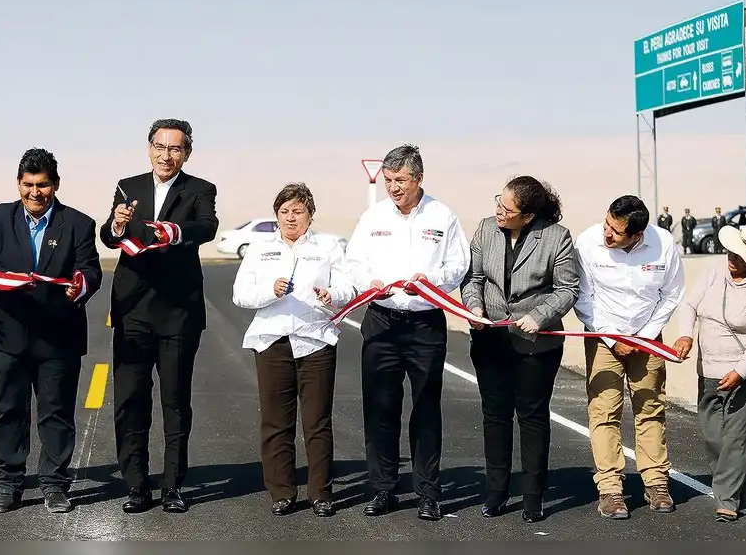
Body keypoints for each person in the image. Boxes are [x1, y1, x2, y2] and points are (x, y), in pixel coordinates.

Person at [344, 143, 470, 521]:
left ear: (418, 178)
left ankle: (428, 493)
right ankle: (383, 489)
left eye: (400, 180)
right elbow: (354, 262)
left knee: (426, 408)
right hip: (381, 321)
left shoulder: (443, 215)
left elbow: (458, 265)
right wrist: (372, 282)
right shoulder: (373, 217)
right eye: (388, 180)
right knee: (381, 408)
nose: (394, 187)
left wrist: (430, 282)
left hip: (424, 325)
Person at [100, 118, 219, 514]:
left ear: (186, 153)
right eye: (160, 147)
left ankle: (172, 487)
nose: (166, 155)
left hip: (178, 312)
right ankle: (136, 485)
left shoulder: (200, 189)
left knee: (175, 401)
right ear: (148, 148)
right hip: (134, 309)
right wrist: (115, 226)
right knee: (131, 401)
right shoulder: (127, 186)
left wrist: (173, 232)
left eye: (175, 149)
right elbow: (109, 235)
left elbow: (206, 226)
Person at [0, 148, 103, 515]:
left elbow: (89, 270)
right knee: (8, 410)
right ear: (18, 184)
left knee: (56, 412)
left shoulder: (79, 223)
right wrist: (7, 279)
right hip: (9, 331)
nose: (35, 192)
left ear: (56, 185)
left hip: (58, 334)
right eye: (28, 185)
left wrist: (81, 285)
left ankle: (54, 485)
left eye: (43, 185)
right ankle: (9, 484)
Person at [231, 183, 356, 517]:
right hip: (272, 342)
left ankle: (321, 493)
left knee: (317, 421)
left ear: (310, 214)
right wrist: (269, 291)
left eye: (298, 211)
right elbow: (240, 294)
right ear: (276, 215)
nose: (290, 218)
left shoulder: (328, 246)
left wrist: (333, 295)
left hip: (315, 340)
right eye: (284, 211)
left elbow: (348, 285)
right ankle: (282, 491)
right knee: (275, 421)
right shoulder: (261, 248)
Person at [460, 176, 578, 523]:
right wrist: (475, 308)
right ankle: (496, 493)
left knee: (532, 416)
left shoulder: (557, 238)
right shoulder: (485, 229)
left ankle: (533, 498)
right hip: (490, 340)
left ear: (527, 215)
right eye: (498, 201)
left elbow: (568, 288)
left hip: (536, 345)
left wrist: (540, 316)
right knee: (495, 416)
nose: (498, 210)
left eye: (506, 208)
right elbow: (473, 278)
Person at [573, 195, 685, 519]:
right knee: (604, 411)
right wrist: (611, 336)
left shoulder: (663, 243)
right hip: (604, 338)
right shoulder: (588, 242)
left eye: (616, 232)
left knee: (650, 408)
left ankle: (656, 482)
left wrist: (646, 337)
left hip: (647, 339)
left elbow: (672, 294)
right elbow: (583, 297)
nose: (607, 234)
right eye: (607, 223)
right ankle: (610, 489)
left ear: (637, 236)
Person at [673, 224, 746, 522]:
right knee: (713, 437)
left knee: (736, 438)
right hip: (707, 372)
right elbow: (689, 305)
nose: (732, 258)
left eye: (740, 255)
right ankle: (742, 481)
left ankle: (728, 500)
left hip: (742, 375)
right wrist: (685, 335)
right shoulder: (712, 273)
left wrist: (741, 371)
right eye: (731, 252)